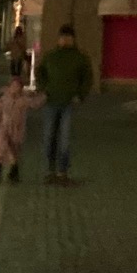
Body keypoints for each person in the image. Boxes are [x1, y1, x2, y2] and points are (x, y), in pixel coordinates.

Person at [34, 22, 94, 185]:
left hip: (68, 102)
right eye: (63, 37)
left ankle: (62, 171)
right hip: (51, 101)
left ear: (73, 39)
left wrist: (80, 95)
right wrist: (43, 89)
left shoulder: (80, 58)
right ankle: (49, 171)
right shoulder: (51, 56)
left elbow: (87, 78)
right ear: (59, 39)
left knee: (65, 139)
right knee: (49, 137)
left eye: (68, 38)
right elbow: (40, 72)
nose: (65, 40)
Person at [0, 75, 36, 184]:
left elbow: (34, 103)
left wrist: (42, 96)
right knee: (1, 147)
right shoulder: (5, 98)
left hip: (17, 129)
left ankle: (13, 171)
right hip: (3, 127)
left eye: (18, 86)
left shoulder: (23, 100)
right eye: (13, 86)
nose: (15, 88)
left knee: (14, 151)